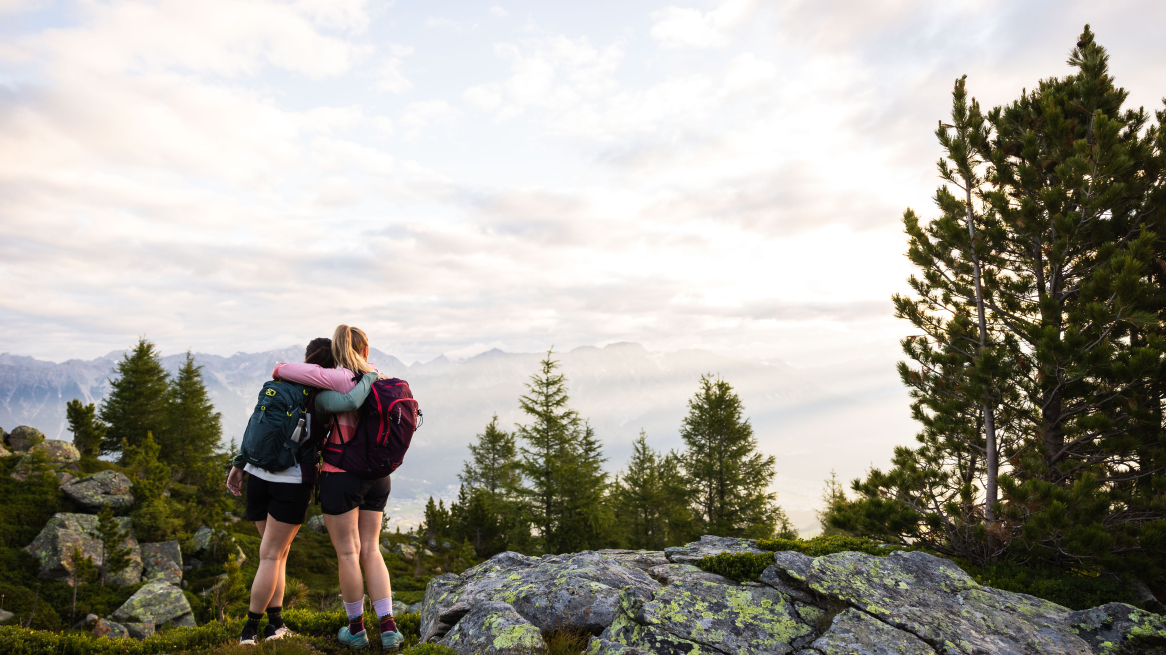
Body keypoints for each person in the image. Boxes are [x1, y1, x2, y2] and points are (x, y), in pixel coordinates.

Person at [226, 337, 379, 646]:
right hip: (291, 481)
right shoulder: (320, 397)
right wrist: (370, 376)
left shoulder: (279, 384)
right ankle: (249, 632)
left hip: (256, 476)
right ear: (331, 366)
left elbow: (255, 424)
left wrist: (239, 463)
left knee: (276, 556)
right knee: (271, 556)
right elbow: (349, 404)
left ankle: (275, 626)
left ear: (307, 359)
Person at [269, 324, 404, 651]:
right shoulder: (384, 379)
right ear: (366, 350)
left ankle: (356, 630)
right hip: (379, 476)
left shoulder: (341, 378)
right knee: (371, 548)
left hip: (341, 474)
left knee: (348, 552)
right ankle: (389, 629)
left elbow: (280, 370)